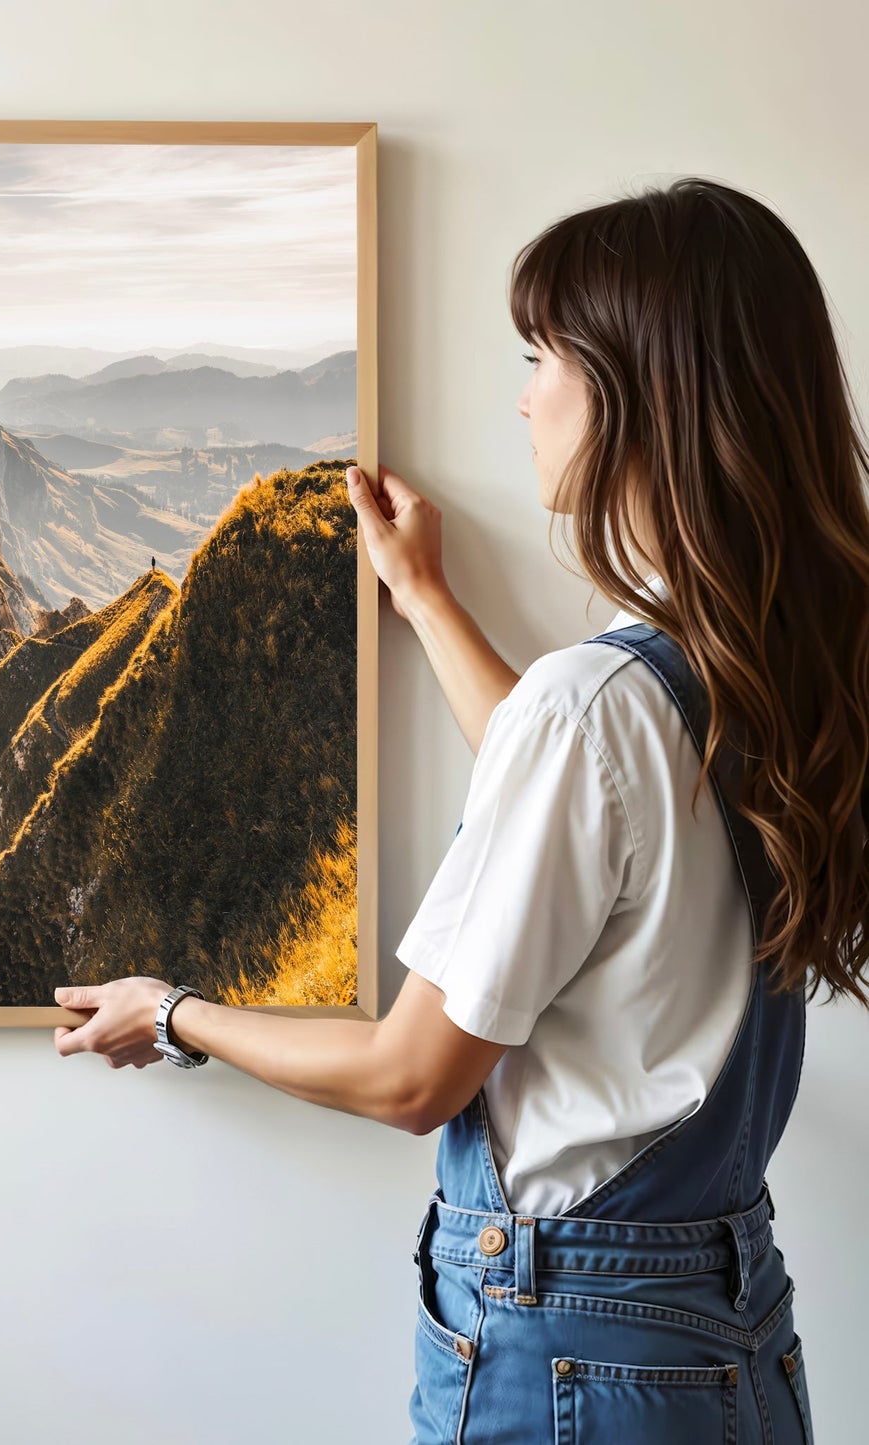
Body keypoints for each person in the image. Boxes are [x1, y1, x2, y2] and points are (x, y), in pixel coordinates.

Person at [51, 177, 869, 1443]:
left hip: (569, 1351)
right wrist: (426, 598)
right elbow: (592, 822)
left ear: (639, 394)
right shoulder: (763, 665)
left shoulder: (597, 704)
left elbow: (408, 1075)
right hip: (722, 1330)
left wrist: (170, 1012)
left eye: (544, 355)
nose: (523, 392)